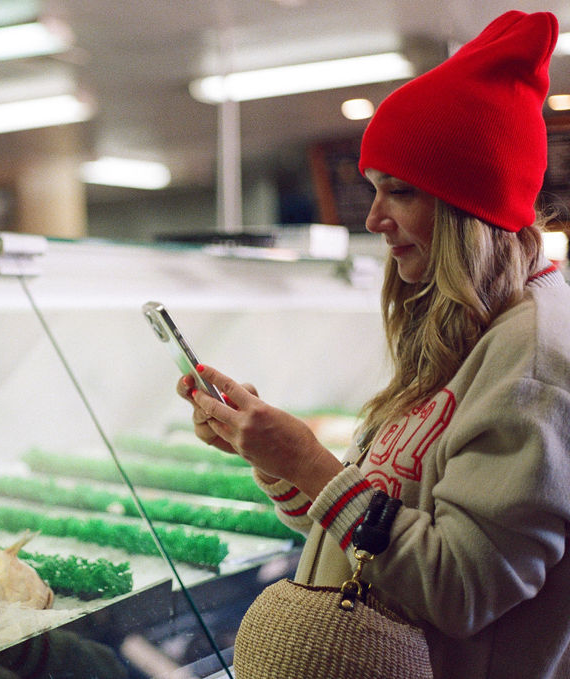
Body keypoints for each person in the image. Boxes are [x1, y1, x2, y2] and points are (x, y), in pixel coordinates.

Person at [177, 10, 570, 679]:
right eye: (373, 188)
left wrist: (309, 462)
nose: (373, 218)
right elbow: (379, 525)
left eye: (401, 191)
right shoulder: (467, 328)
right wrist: (274, 459)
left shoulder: (532, 362)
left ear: (466, 209)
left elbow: (460, 586)